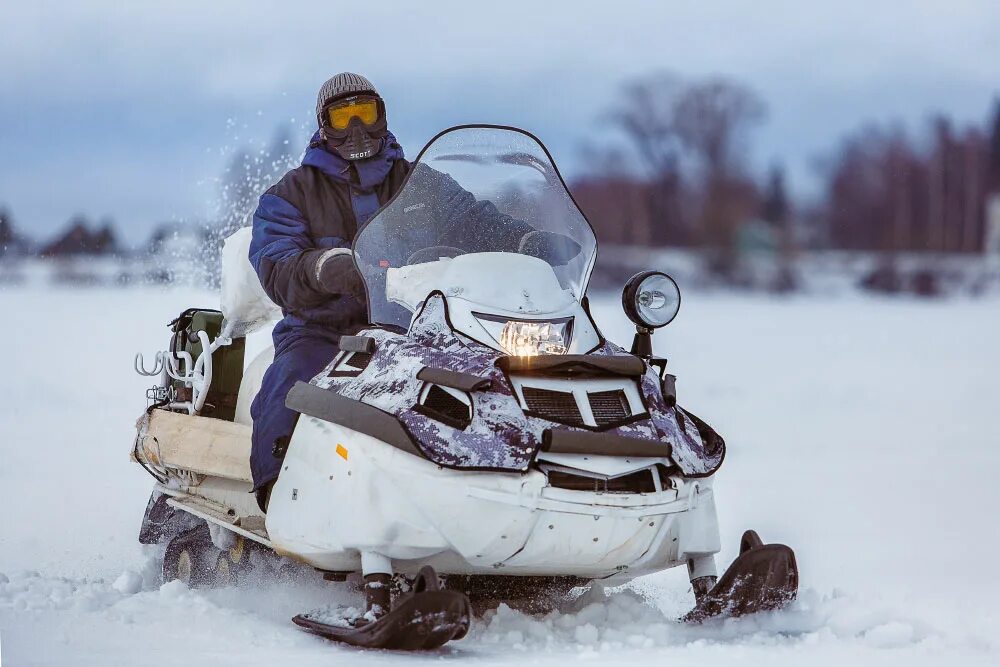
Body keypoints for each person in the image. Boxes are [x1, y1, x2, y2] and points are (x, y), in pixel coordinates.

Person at [249, 73, 577, 510]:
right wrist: (324, 267)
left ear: (382, 115)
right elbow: (276, 261)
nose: (356, 129)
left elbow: (478, 221)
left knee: (503, 381)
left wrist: (527, 241)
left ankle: (521, 484)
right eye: (342, 117)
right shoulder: (291, 194)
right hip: (326, 330)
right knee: (293, 380)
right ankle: (279, 492)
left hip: (420, 328)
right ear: (323, 125)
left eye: (364, 113)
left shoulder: (421, 184)